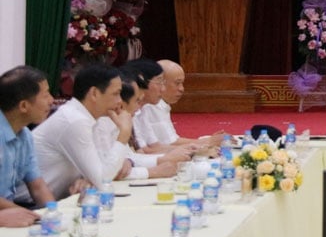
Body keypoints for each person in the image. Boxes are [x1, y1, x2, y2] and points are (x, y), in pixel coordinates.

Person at [31, 64, 132, 199]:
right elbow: (103, 180)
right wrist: (124, 133)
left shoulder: (88, 118)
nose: (120, 101)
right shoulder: (74, 120)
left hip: (55, 200)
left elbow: (100, 169)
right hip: (28, 206)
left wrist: (88, 179)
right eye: (116, 94)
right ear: (94, 94)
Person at [93, 68, 187, 180]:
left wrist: (164, 159)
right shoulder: (101, 123)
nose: (139, 107)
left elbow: (129, 158)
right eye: (137, 101)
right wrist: (151, 171)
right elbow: (107, 173)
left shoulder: (116, 119)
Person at [0, 66, 55, 223]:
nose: (52, 100)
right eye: (45, 95)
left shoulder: (25, 135)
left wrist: (53, 213)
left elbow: (37, 186)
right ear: (23, 106)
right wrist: (24, 213)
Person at [132, 59, 223, 152]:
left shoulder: (145, 108)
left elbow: (154, 147)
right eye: (177, 83)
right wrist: (207, 143)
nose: (182, 89)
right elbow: (165, 144)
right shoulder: (148, 107)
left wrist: (203, 145)